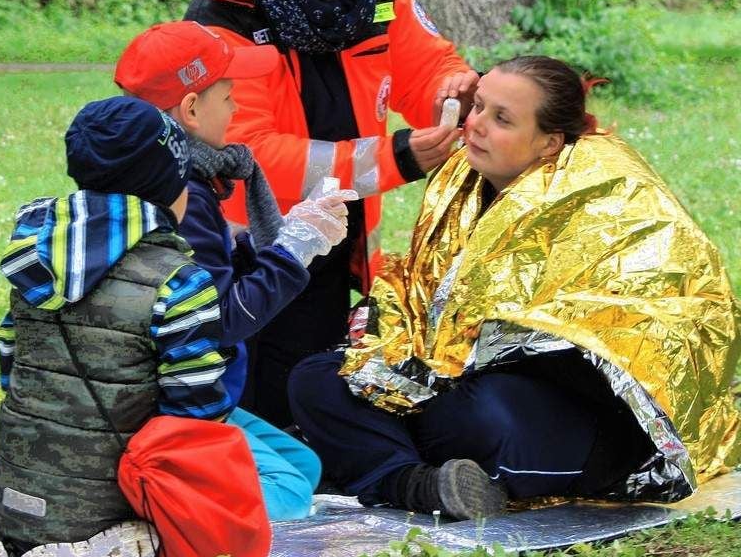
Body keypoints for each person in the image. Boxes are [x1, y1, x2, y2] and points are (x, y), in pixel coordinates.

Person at [288, 56, 741, 519]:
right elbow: (427, 296)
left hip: (582, 413)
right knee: (317, 379)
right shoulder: (462, 176)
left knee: (477, 417)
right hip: (460, 385)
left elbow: (653, 326)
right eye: (478, 106)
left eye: (501, 119)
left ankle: (375, 461)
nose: (476, 125)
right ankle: (413, 483)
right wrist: (395, 341)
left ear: (550, 143)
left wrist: (485, 349)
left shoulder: (608, 194)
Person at [185, 0, 478, 427]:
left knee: (316, 379)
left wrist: (454, 87)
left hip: (338, 234)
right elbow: (253, 153)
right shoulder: (223, 19)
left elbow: (421, 70)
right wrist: (392, 159)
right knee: (266, 401)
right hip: (258, 246)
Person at [0, 98, 234, 557]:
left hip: (8, 499)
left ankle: (11, 547)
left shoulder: (32, 257)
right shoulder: (180, 281)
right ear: (172, 188)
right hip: (111, 511)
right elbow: (196, 416)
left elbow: (12, 369)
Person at [114, 20, 356, 521]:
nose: (237, 106)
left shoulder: (149, 173)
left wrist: (254, 244)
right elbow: (220, 320)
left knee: (301, 464)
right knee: (289, 490)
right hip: (169, 400)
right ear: (192, 110)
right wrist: (293, 250)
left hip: (160, 391)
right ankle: (162, 506)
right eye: (228, 95)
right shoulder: (189, 193)